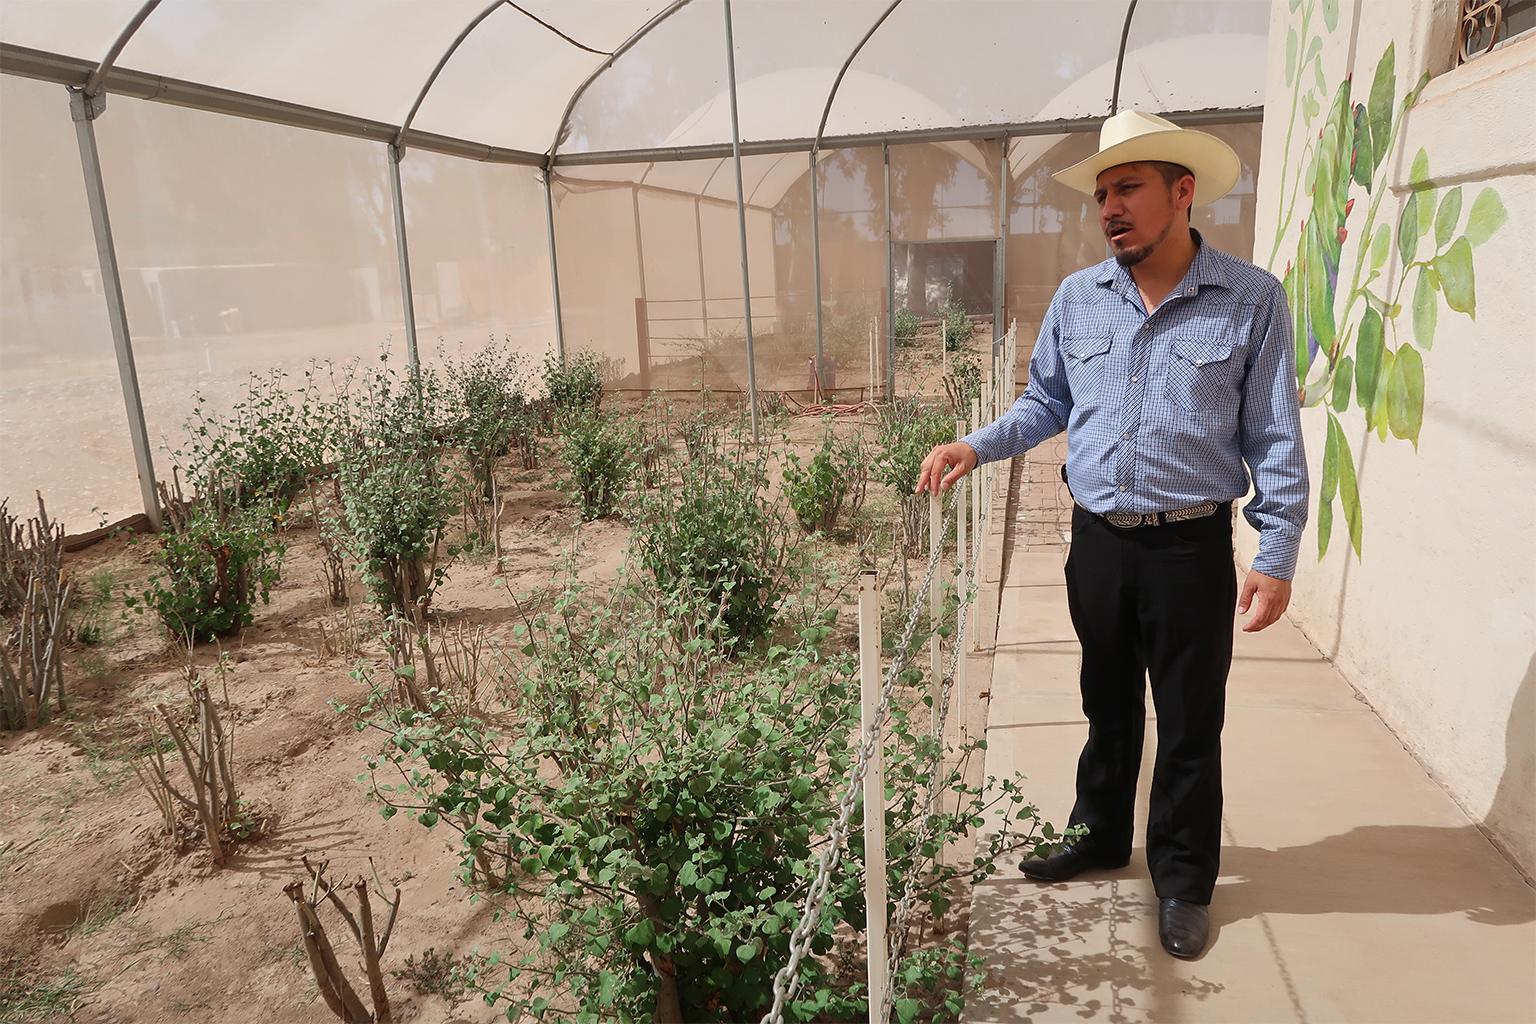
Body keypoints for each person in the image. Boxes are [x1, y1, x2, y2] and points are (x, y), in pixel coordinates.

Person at [914, 110, 1308, 959]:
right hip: (1096, 542)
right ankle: (1099, 836)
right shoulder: (1076, 299)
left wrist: (1275, 553)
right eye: (1101, 194)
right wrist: (973, 445)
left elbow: (1275, 435)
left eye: (1128, 187)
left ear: (1182, 192)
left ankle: (1184, 878)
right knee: (1106, 701)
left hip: (1188, 548)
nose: (1111, 208)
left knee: (1191, 719)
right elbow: (1045, 403)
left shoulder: (1251, 299)